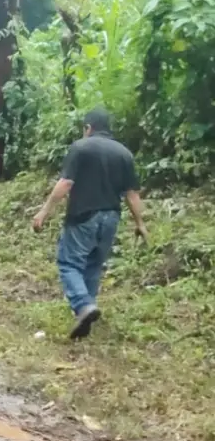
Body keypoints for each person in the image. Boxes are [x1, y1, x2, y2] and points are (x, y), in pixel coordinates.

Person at [32, 108, 147, 339]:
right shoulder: (124, 153)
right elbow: (132, 194)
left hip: (84, 216)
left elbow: (66, 183)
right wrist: (141, 223)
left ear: (88, 128)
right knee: (93, 266)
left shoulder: (81, 147)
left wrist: (44, 212)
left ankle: (83, 305)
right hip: (111, 218)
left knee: (69, 263)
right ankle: (86, 315)